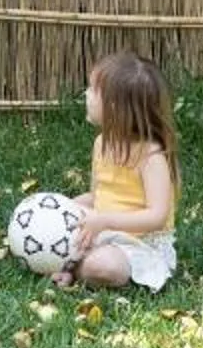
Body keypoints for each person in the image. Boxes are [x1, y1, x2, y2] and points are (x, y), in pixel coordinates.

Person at [56, 51, 179, 292]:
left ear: (115, 107)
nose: (86, 95)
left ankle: (77, 270)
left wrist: (104, 220)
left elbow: (157, 217)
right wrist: (63, 208)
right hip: (103, 230)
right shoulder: (101, 144)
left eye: (92, 90)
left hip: (141, 243)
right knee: (59, 229)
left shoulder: (151, 155)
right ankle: (73, 267)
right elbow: (96, 197)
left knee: (103, 265)